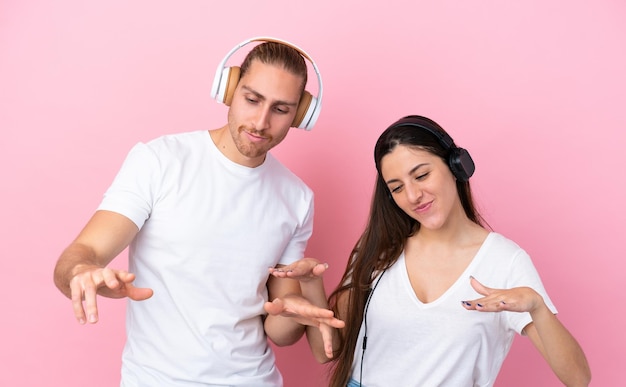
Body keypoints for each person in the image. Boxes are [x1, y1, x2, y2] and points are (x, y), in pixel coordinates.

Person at [53, 37, 343, 386]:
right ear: (229, 90)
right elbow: (78, 258)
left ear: (299, 115)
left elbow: (280, 329)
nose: (261, 121)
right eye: (252, 99)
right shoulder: (159, 161)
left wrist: (297, 310)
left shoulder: (297, 198)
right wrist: (83, 270)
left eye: (281, 109)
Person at [321, 115, 590, 386]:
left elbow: (578, 378)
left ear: (456, 166)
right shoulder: (377, 252)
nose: (413, 195)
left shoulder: (505, 262)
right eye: (398, 188)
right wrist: (310, 285)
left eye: (422, 175)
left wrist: (538, 308)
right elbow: (330, 348)